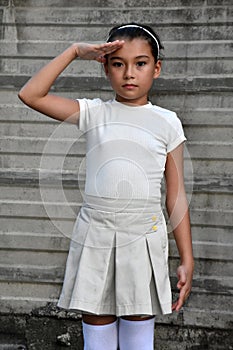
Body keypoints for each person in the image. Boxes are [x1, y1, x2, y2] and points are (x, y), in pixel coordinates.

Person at [18, 22, 194, 350]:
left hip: (143, 237)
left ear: (156, 69)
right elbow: (30, 94)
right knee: (96, 336)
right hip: (96, 236)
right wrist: (73, 51)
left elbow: (176, 192)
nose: (129, 73)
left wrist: (187, 256)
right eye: (118, 64)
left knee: (138, 335)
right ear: (105, 68)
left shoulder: (168, 122)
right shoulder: (94, 113)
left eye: (140, 63)